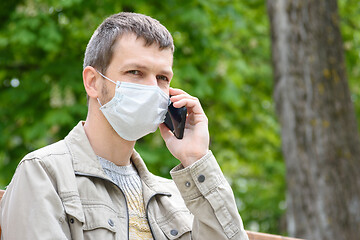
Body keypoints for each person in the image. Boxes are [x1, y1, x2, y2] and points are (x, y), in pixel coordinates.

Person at [0, 12, 249, 240]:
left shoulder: (173, 196)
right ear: (93, 82)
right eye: (135, 72)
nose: (153, 88)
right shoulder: (43, 174)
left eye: (162, 78)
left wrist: (196, 159)